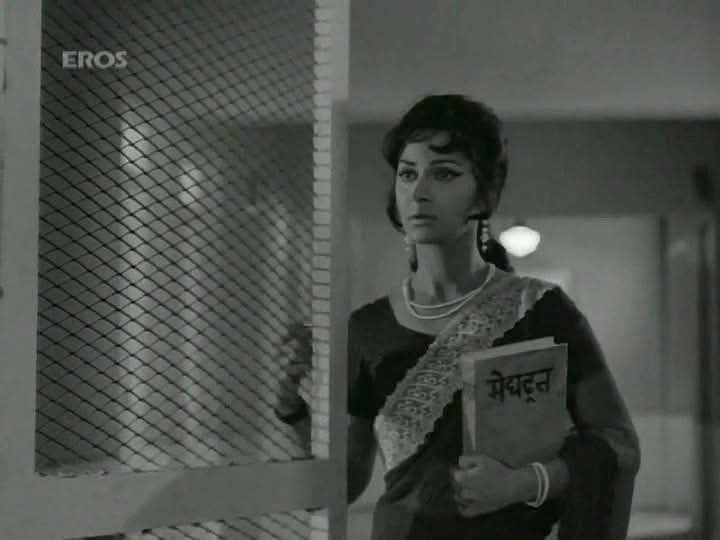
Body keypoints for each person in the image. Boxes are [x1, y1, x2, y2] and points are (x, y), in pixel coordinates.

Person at [276, 94, 640, 539]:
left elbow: (617, 445)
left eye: (444, 173)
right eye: (408, 174)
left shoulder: (540, 311)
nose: (419, 192)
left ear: (484, 193)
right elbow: (342, 486)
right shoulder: (368, 330)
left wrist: (523, 483)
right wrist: (295, 411)